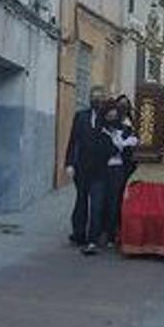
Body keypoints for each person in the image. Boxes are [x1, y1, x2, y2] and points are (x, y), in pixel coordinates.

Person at [82, 100, 139, 255]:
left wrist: (123, 145)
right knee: (96, 205)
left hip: (117, 172)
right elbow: (102, 151)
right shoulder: (98, 132)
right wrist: (120, 146)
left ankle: (110, 237)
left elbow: (131, 149)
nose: (112, 119)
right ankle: (92, 240)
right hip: (99, 172)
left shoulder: (125, 130)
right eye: (109, 116)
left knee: (113, 205)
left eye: (115, 116)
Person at [65, 86, 110, 247]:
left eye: (100, 97)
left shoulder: (108, 118)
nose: (97, 99)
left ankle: (93, 238)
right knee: (81, 203)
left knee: (97, 205)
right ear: (90, 98)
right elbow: (73, 141)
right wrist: (69, 163)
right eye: (94, 96)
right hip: (82, 168)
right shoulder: (80, 116)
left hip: (100, 170)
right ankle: (78, 235)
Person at [111, 94, 139, 244]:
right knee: (114, 198)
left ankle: (122, 228)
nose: (123, 107)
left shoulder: (132, 122)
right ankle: (113, 228)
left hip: (128, 165)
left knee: (124, 198)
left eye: (126, 104)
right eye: (120, 104)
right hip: (114, 166)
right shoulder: (113, 123)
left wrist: (132, 142)